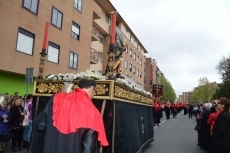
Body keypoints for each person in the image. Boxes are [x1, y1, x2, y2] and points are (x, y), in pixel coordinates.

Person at [35, 78, 108, 153]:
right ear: (92, 88)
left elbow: (40, 124)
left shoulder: (56, 98)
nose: (94, 94)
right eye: (95, 91)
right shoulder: (93, 111)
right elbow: (88, 147)